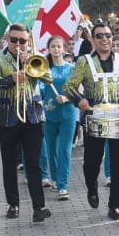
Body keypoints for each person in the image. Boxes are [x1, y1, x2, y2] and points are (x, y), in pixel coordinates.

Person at [64, 21, 119, 219]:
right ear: (92, 39)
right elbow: (69, 87)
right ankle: (92, 187)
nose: (105, 39)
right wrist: (79, 99)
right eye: (100, 36)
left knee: (118, 162)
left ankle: (115, 205)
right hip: (95, 115)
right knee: (91, 162)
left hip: (118, 115)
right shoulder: (84, 61)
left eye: (108, 35)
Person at [0, 23, 51, 222]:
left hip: (33, 116)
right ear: (7, 38)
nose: (18, 44)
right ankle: (13, 204)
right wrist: (12, 78)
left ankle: (39, 207)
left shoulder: (35, 56)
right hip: (8, 117)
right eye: (14, 40)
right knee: (9, 163)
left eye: (22, 40)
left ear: (28, 40)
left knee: (33, 162)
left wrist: (30, 62)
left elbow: (48, 78)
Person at [38, 36, 77, 200]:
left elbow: (78, 89)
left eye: (59, 46)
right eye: (53, 46)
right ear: (48, 49)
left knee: (64, 150)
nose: (56, 49)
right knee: (51, 149)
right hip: (50, 114)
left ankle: (63, 185)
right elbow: (39, 90)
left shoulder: (72, 69)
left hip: (68, 114)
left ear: (64, 49)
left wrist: (67, 98)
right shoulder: (44, 70)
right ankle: (54, 178)